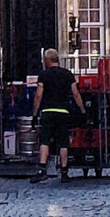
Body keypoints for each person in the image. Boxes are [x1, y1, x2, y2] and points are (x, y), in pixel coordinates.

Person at [34, 48, 81, 182]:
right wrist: (82, 109)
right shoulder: (67, 74)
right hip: (63, 111)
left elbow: (38, 95)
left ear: (47, 60)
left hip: (48, 111)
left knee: (45, 140)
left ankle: (42, 170)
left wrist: (35, 112)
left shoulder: (43, 75)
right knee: (63, 142)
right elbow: (75, 93)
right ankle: (64, 172)